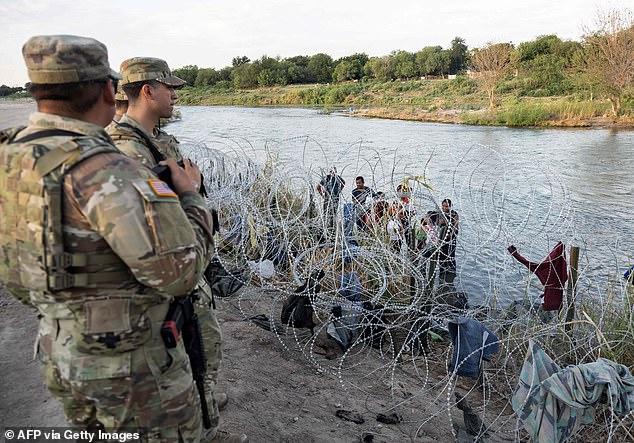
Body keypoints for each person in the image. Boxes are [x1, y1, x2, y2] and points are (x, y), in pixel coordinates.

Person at [0, 35, 214, 441]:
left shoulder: (11, 156)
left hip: (59, 346)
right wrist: (190, 196)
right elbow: (179, 273)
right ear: (105, 90)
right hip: (128, 364)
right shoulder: (108, 170)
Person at [107, 57, 241, 442]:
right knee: (183, 363)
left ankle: (204, 407)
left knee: (200, 355)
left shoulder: (151, 140)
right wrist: (191, 191)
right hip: (168, 283)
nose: (175, 95)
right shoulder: (130, 153)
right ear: (148, 90)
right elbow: (154, 231)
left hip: (184, 277)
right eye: (170, 88)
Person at [317, 166, 345, 238]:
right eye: (331, 171)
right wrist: (322, 195)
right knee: (326, 214)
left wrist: (339, 191)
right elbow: (318, 187)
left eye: (334, 171)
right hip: (327, 198)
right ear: (329, 172)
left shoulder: (337, 178)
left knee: (333, 214)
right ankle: (325, 229)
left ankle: (332, 229)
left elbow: (343, 183)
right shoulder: (326, 178)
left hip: (335, 198)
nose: (333, 173)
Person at [436, 198, 459, 283]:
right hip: (441, 239)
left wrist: (450, 234)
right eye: (443, 206)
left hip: (450, 239)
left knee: (450, 256)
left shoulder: (454, 214)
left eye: (447, 206)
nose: (445, 208)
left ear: (450, 206)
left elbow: (456, 228)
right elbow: (436, 223)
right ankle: (442, 273)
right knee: (441, 256)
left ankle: (451, 274)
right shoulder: (439, 213)